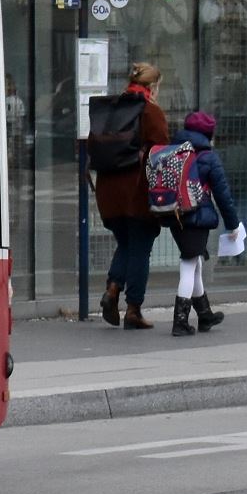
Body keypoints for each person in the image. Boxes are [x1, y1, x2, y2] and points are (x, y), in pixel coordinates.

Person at [87, 61, 170, 332]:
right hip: (136, 191)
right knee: (140, 249)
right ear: (151, 86)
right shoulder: (150, 111)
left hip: (108, 193)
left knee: (125, 243)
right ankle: (133, 309)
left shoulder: (110, 110)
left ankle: (112, 291)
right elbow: (162, 152)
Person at [168, 109, 243, 336]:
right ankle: (180, 321)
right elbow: (223, 195)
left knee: (195, 262)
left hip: (174, 216)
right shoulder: (208, 158)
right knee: (189, 265)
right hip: (196, 218)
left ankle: (204, 315)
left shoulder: (173, 151)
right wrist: (234, 224)